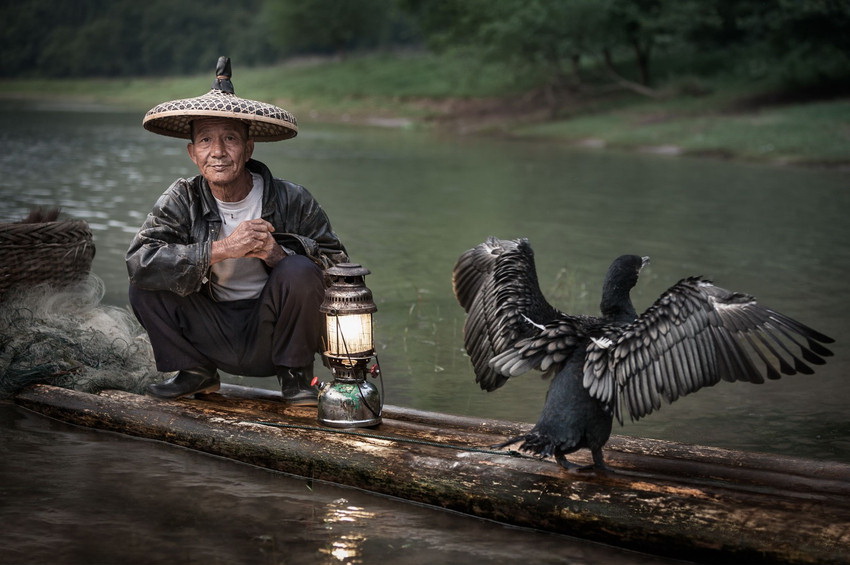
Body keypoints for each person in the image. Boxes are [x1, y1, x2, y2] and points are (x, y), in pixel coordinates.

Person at [127, 57, 348, 405]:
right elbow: (140, 261)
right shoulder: (181, 198)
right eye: (205, 140)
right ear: (192, 153)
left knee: (300, 269)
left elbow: (340, 269)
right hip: (210, 332)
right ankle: (194, 372)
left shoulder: (293, 198)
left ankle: (296, 377)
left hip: (274, 337)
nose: (218, 152)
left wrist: (277, 254)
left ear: (248, 148)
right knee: (146, 281)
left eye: (230, 138)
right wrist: (223, 248)